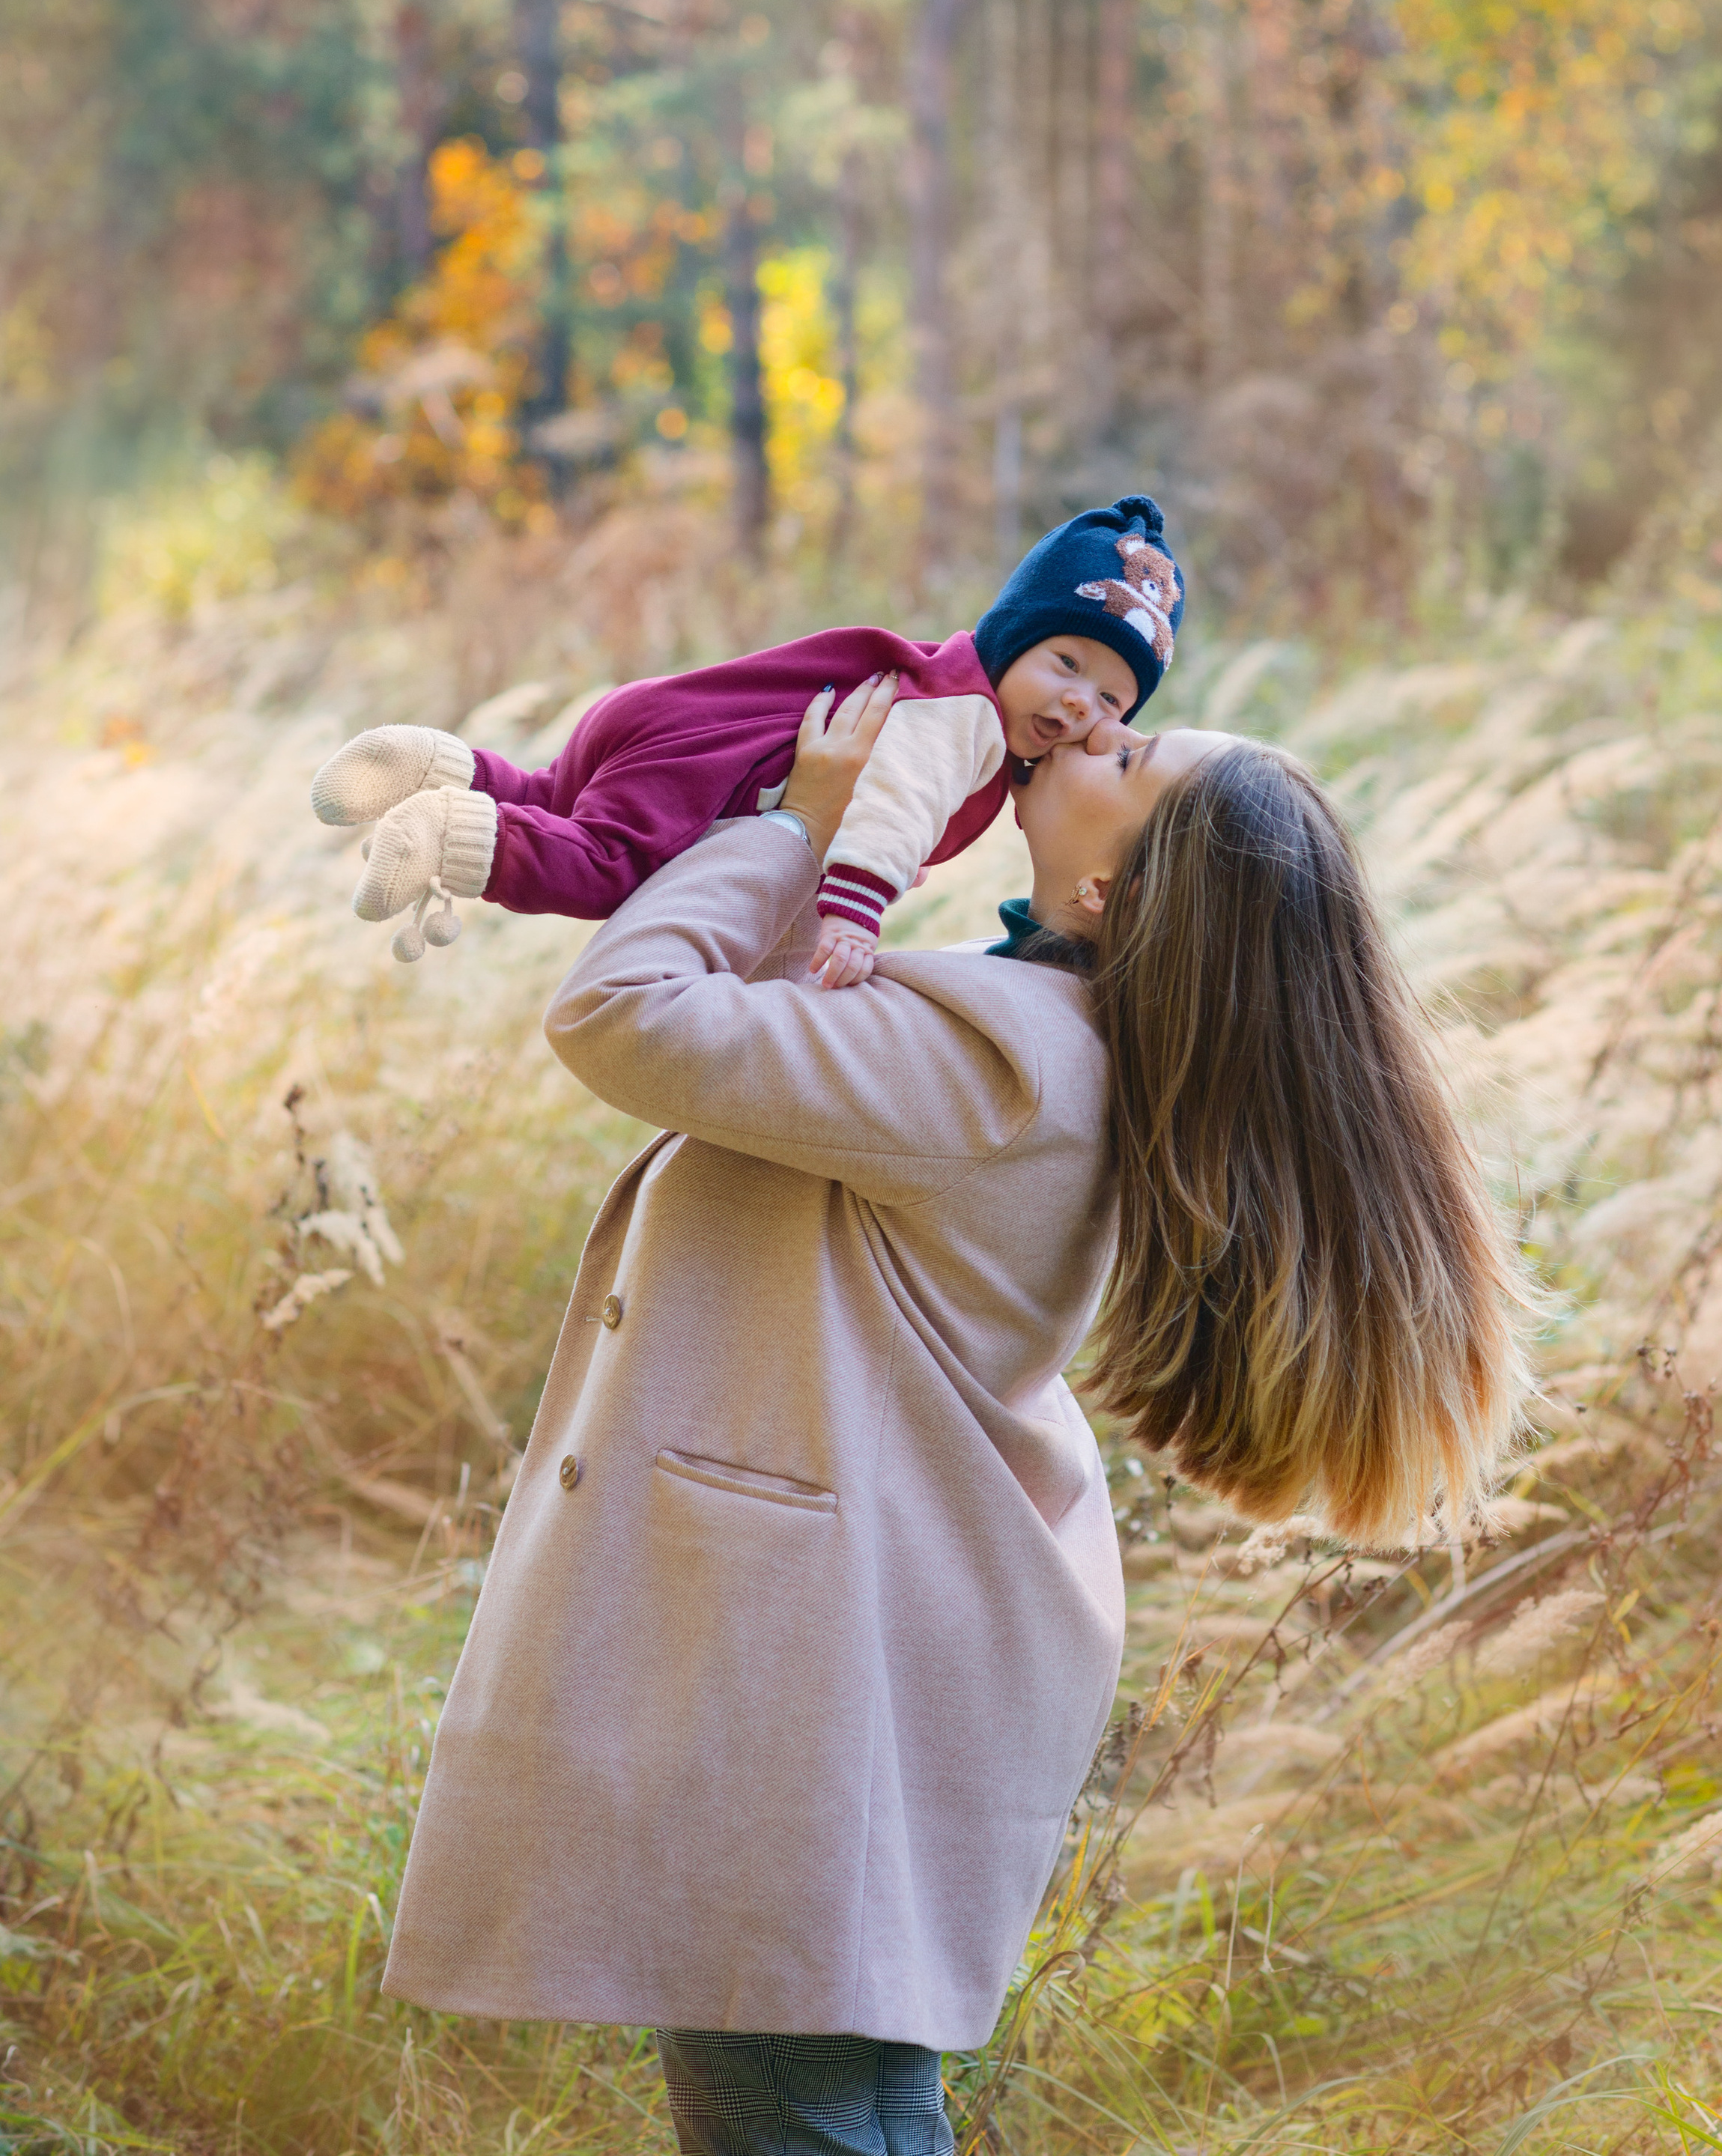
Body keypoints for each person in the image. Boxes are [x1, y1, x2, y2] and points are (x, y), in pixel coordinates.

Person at [381, 678, 1533, 2156]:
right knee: (845, 2101)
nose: (1090, 730)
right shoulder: (1045, 1047)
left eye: (1128, 753)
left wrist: (801, 827)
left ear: (1110, 889)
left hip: (799, 1665)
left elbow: (625, 1015)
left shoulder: (996, 1064)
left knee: (790, 2110)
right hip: (858, 1644)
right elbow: (766, 1050)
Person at [309, 493, 1183, 979]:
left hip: (664, 721)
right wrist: (855, 911)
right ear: (1010, 637)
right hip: (711, 775)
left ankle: (439, 765)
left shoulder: (937, 680)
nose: (1079, 704)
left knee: (553, 798)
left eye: (1111, 699)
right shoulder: (965, 720)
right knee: (607, 863)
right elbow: (896, 806)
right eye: (1065, 663)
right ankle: (452, 836)